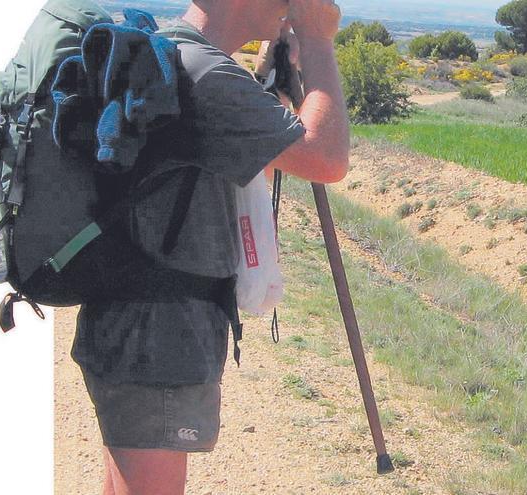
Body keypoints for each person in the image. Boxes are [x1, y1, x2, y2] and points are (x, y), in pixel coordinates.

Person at [69, 1, 349, 494]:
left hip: (132, 322)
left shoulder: (178, 58)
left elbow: (255, 168)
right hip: (158, 335)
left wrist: (271, 86)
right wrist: (320, 40)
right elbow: (326, 158)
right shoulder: (202, 72)